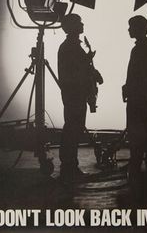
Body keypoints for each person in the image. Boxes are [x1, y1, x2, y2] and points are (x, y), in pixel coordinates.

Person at [58, 13, 101, 183]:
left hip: (74, 94)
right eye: (79, 23)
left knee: (72, 128)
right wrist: (89, 66)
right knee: (72, 129)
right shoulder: (71, 47)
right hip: (75, 94)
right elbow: (76, 72)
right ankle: (69, 166)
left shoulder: (71, 46)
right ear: (73, 27)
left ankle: (69, 166)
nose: (82, 25)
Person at [122, 15, 147, 181]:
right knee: (145, 130)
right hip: (141, 97)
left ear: (139, 29)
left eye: (131, 27)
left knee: (138, 131)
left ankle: (138, 163)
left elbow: (144, 75)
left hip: (138, 98)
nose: (129, 30)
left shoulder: (142, 49)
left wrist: (131, 90)